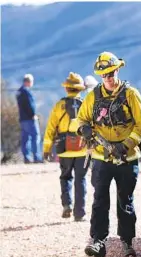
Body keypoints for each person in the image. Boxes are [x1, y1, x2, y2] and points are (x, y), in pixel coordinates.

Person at [77, 51, 141, 257]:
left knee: (125, 200)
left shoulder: (130, 94)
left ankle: (127, 241)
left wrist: (125, 145)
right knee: (99, 200)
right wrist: (84, 129)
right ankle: (98, 241)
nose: (108, 78)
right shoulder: (93, 97)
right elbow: (81, 119)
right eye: (104, 75)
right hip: (101, 157)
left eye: (111, 73)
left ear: (118, 70)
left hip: (127, 157)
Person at [42, 72, 89, 221]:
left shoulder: (59, 106)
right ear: (80, 89)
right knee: (81, 179)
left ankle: (67, 205)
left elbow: (50, 128)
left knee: (65, 177)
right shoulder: (85, 105)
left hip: (64, 149)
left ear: (66, 89)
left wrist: (46, 149)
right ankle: (80, 213)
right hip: (82, 148)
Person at [16, 73, 43, 163]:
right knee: (35, 136)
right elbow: (30, 105)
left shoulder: (19, 92)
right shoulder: (26, 92)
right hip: (30, 118)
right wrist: (33, 115)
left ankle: (27, 157)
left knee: (25, 138)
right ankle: (37, 157)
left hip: (22, 118)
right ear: (28, 81)